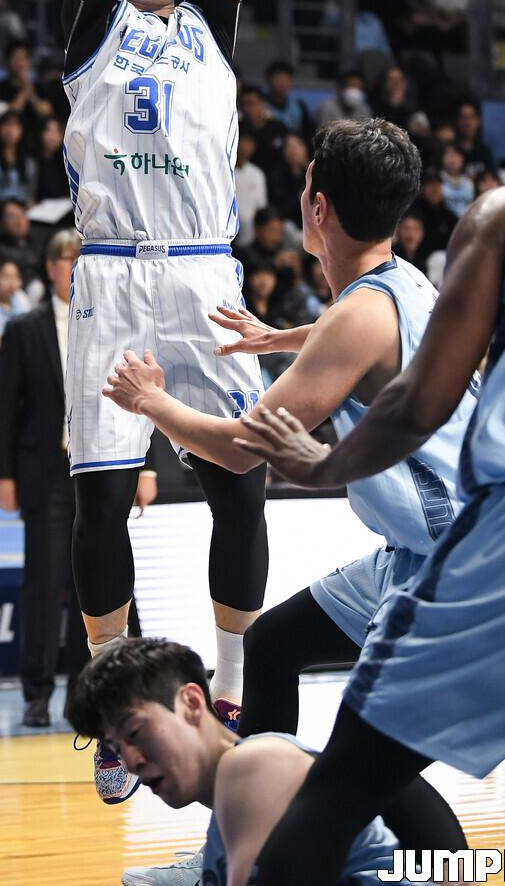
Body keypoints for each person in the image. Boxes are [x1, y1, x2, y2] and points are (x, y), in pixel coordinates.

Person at [225, 45, 505, 885]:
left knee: (342, 789)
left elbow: (418, 402)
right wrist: (292, 338)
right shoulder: (394, 286)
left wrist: (319, 466)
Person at [103, 118, 474, 863]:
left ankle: (438, 872)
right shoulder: (405, 285)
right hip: (423, 548)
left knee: (370, 764)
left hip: (450, 566)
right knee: (271, 645)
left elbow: (243, 450)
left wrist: (152, 401)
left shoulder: (358, 318)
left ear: (318, 207)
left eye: (306, 186)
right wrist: (281, 338)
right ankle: (239, 840)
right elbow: (354, 333)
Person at [63, 0, 267, 804]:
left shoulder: (209, 29)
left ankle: (228, 691)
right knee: (102, 506)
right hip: (109, 276)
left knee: (242, 486)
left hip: (201, 274)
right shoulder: (95, 26)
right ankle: (116, 714)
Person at [70, 637, 434, 886]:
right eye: (116, 748)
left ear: (192, 703)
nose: (130, 761)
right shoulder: (228, 815)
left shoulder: (252, 764)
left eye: (135, 732)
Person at [0, 233, 94, 726]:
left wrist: (148, 466)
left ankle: (84, 693)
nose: (75, 266)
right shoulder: (24, 328)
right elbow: (4, 408)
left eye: (82, 258)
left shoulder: (108, 321)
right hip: (44, 471)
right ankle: (36, 691)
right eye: (68, 258)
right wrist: (3, 474)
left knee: (92, 586)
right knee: (44, 584)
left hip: (98, 471)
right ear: (50, 266)